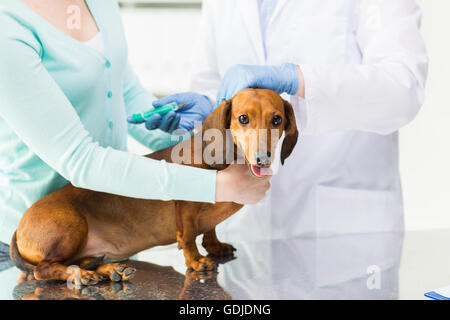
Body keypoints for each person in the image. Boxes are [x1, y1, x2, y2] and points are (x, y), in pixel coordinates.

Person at [0, 0, 272, 248]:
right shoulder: (8, 28)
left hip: (110, 231)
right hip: (39, 244)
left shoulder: (99, 4)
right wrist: (216, 185)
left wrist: (192, 136)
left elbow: (126, 95)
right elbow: (81, 160)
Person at [150, 0, 428, 239]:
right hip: (242, 226)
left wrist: (297, 79)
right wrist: (211, 109)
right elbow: (213, 80)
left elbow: (402, 88)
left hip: (341, 229)